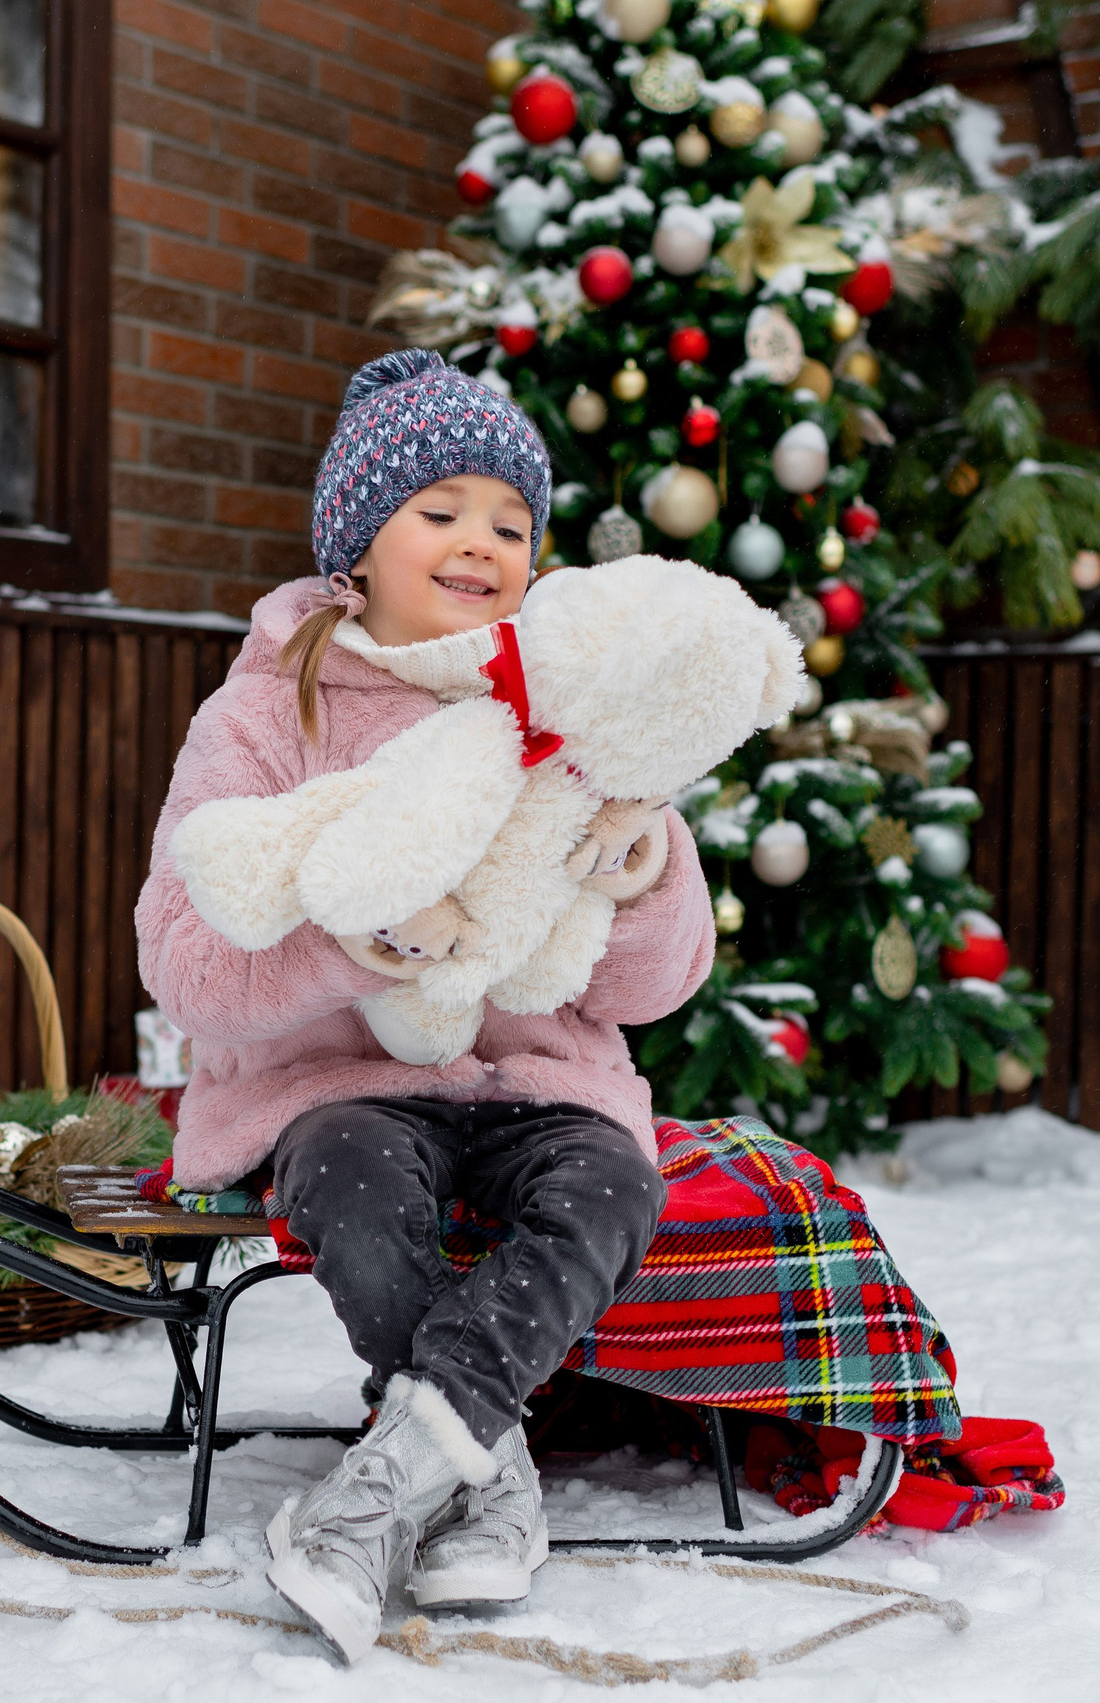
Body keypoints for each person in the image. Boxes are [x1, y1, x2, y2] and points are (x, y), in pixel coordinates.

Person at [133, 349, 715, 1661]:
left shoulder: (571, 703)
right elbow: (183, 955)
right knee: (354, 1180)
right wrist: (356, 948)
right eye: (440, 510)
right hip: (337, 1087)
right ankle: (490, 1474)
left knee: (612, 1188)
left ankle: (386, 1485)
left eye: (511, 522)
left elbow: (658, 982)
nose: (481, 543)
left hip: (537, 1084)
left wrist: (645, 870)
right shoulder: (266, 714)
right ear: (353, 550)